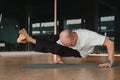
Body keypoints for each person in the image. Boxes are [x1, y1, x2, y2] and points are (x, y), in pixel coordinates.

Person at [17, 28, 114, 68]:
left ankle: (28, 39)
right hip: (66, 40)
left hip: (79, 52)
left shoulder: (89, 36)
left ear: (74, 37)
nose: (68, 46)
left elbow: (110, 43)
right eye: (66, 44)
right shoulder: (66, 37)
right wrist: (59, 58)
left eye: (70, 44)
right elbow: (60, 46)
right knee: (50, 38)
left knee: (53, 47)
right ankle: (26, 37)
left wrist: (109, 62)